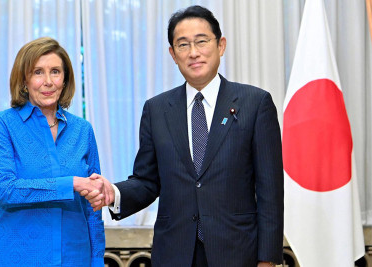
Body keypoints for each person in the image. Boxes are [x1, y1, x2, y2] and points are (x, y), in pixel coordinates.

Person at [84, 5, 283, 267]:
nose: (193, 53)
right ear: (173, 54)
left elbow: (270, 190)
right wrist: (114, 193)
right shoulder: (157, 110)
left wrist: (267, 259)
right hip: (174, 253)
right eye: (183, 45)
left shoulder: (255, 104)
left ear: (220, 45)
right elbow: (147, 181)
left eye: (201, 42)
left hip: (237, 253)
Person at [0, 37, 105, 266]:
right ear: (24, 79)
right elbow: (6, 190)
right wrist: (71, 184)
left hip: (75, 257)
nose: (48, 81)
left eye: (56, 72)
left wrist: (97, 259)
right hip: (18, 257)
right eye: (38, 72)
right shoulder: (1, 125)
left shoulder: (83, 130)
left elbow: (94, 203)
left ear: (65, 78)